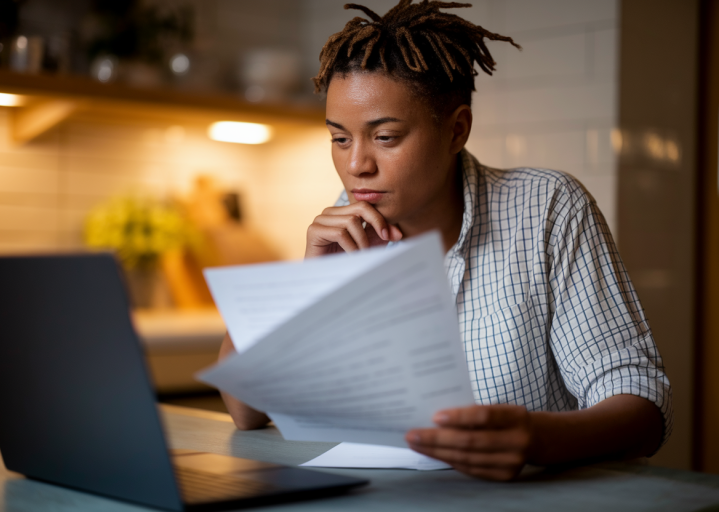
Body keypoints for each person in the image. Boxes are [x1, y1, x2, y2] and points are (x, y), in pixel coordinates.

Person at [218, 0, 672, 481]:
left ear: (456, 130)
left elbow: (642, 410)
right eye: (340, 139)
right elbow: (247, 412)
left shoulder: (547, 207)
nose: (357, 166)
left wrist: (537, 440)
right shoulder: (348, 229)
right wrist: (306, 286)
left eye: (386, 136)